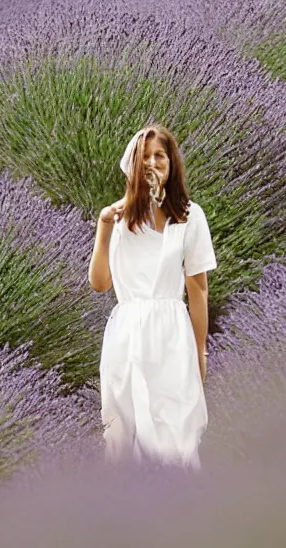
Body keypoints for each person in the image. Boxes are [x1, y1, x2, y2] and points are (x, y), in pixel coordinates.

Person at [88, 124, 217, 469]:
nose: (152, 163)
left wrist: (200, 349)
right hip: (128, 334)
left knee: (177, 431)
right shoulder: (119, 218)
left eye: (159, 155)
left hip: (172, 335)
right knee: (124, 434)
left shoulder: (190, 216)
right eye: (144, 157)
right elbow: (100, 284)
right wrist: (103, 226)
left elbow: (198, 288)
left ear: (171, 162)